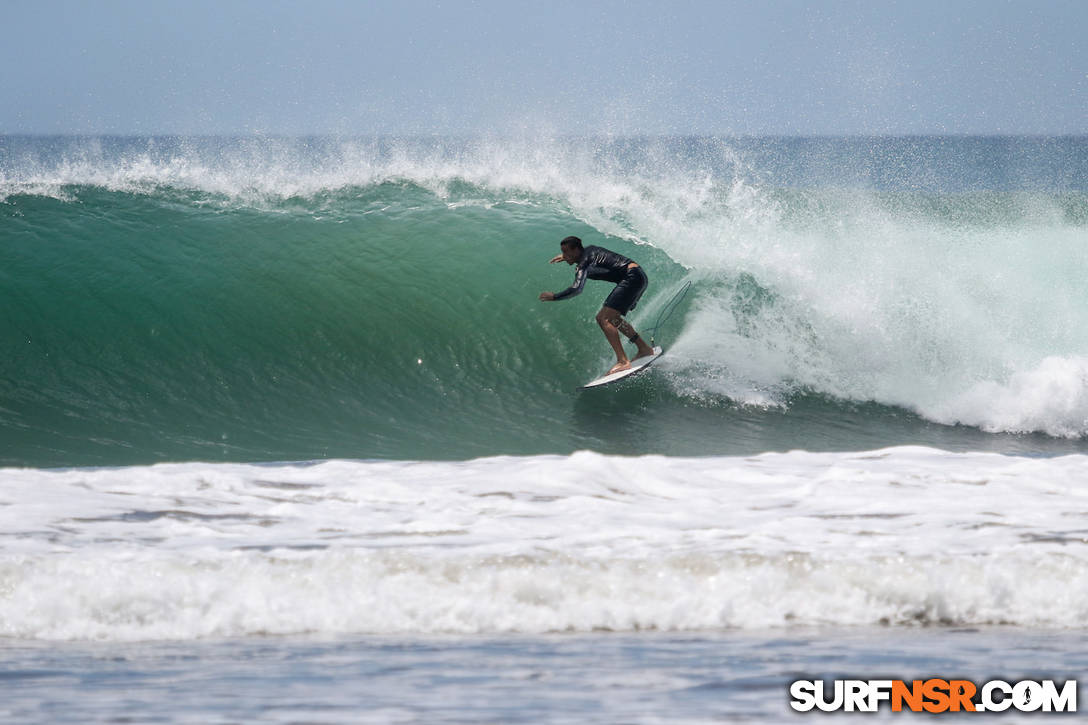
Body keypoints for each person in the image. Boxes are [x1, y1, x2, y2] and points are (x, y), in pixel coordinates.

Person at [539, 236, 656, 374]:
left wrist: (555, 297)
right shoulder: (589, 251)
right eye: (562, 252)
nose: (563, 256)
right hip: (638, 276)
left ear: (576, 250)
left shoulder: (584, 263)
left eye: (566, 252)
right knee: (613, 318)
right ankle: (644, 349)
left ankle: (623, 361)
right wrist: (567, 257)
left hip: (631, 278)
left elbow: (577, 289)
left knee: (603, 318)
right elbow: (581, 259)